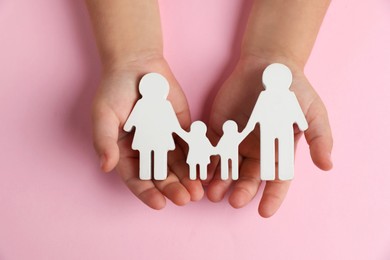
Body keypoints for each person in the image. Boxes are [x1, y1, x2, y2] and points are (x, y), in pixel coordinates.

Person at [86, 0, 333, 217]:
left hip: (266, 130)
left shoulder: (273, 98)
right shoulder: (157, 106)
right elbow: (156, 122)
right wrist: (130, 56)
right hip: (160, 137)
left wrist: (279, 54)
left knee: (269, 150)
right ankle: (157, 167)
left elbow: (268, 115)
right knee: (158, 158)